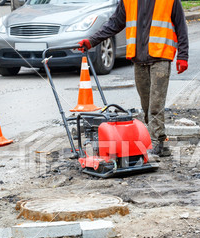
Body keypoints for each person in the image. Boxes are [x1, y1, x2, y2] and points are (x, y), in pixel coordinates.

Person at [78, 0, 189, 157]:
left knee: (155, 105)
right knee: (146, 104)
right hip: (139, 60)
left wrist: (183, 55)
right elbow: (114, 23)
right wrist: (92, 41)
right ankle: (161, 143)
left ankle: (155, 142)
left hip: (161, 58)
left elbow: (181, 26)